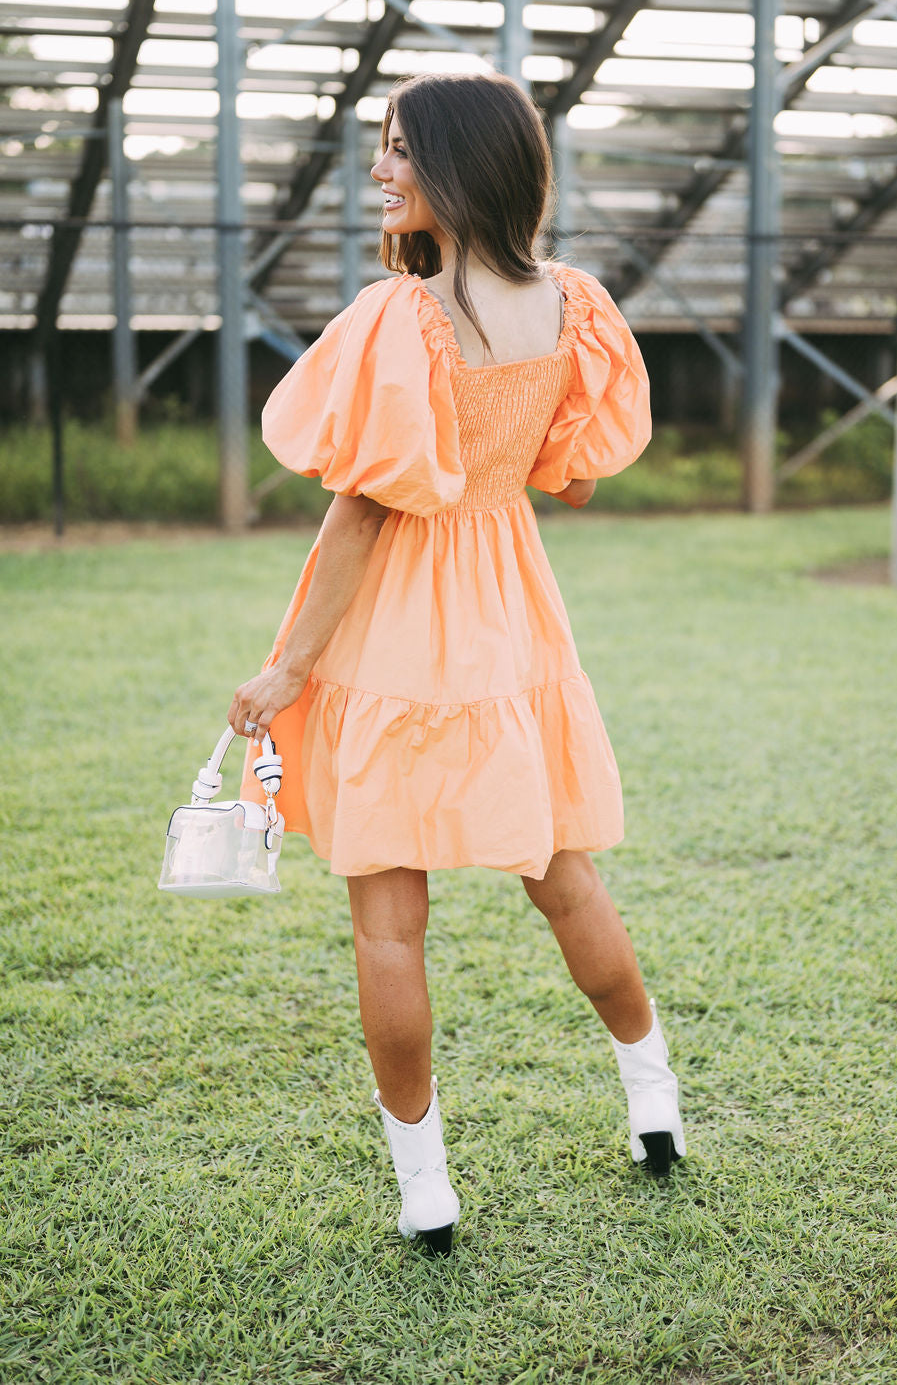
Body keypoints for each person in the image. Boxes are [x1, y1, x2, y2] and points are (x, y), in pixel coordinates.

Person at [227, 72, 685, 1256]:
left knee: (389, 925)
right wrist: (498, 448)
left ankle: (424, 1185)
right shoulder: (577, 306)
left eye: (396, 152)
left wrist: (285, 671)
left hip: (395, 625)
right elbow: (573, 475)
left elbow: (364, 516)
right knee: (564, 875)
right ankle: (653, 1099)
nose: (380, 172)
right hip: (511, 612)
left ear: (454, 166)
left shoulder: (399, 317)